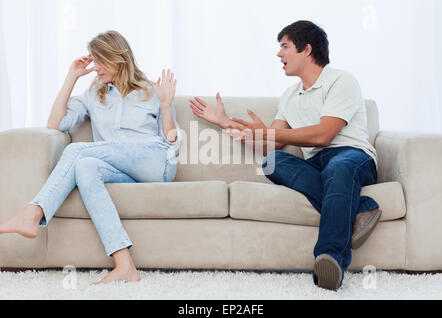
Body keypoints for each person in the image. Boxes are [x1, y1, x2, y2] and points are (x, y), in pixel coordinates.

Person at [189, 20, 381, 291]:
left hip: (351, 156)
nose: (279, 54)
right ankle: (360, 208)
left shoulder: (340, 81)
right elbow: (269, 144)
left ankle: (330, 260)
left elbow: (324, 135)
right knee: (272, 162)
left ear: (307, 50)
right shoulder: (290, 96)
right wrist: (223, 122)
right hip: (317, 164)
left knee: (338, 169)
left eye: (284, 46)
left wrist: (269, 133)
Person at [0, 30, 182, 285]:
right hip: (121, 171)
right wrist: (71, 78)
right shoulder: (94, 94)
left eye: (99, 60)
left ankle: (32, 214)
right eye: (93, 61)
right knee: (85, 166)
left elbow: (170, 140)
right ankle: (124, 265)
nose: (95, 67)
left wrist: (165, 105)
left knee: (76, 151)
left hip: (156, 162)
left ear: (117, 58)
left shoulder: (152, 91)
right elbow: (55, 124)